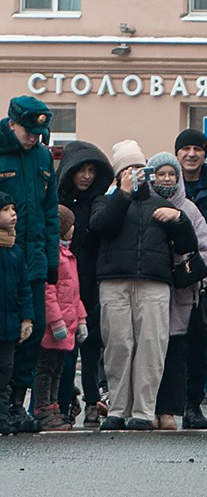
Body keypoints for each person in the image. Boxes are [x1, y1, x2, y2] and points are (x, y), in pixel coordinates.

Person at [86, 141, 198, 430]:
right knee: (118, 345)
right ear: (118, 174)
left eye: (139, 168)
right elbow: (101, 227)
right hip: (114, 281)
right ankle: (117, 409)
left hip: (154, 282)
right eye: (128, 169)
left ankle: (144, 411)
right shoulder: (105, 202)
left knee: (151, 345)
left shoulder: (161, 204)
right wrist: (122, 195)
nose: (135, 173)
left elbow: (187, 245)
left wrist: (179, 219)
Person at [1, 96, 58, 423]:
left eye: (39, 133)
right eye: (28, 132)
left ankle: (15, 404)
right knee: (4, 334)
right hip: (3, 261)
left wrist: (51, 260)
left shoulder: (42, 157)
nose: (34, 138)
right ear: (12, 124)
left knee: (32, 333)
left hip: (33, 261)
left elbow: (50, 212)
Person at [149, 154, 207, 431]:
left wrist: (197, 279)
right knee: (150, 353)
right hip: (150, 292)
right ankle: (148, 408)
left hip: (183, 296)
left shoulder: (189, 209)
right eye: (161, 174)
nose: (166, 179)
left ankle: (171, 410)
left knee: (179, 356)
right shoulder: (143, 206)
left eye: (171, 174)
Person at [51, 139, 110, 425]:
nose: (86, 176)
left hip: (90, 282)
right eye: (81, 170)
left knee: (91, 346)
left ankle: (92, 401)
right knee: (63, 349)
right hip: (62, 283)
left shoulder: (98, 203)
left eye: (92, 171)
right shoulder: (56, 203)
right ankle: (63, 402)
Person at [30, 202, 86, 432]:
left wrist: (81, 319)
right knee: (45, 368)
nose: (73, 229)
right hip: (54, 326)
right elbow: (48, 292)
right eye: (70, 225)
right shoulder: (53, 256)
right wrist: (55, 321)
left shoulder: (68, 255)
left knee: (57, 369)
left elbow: (75, 293)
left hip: (67, 325)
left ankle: (53, 405)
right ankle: (42, 408)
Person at [0, 194, 40, 434]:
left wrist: (27, 318)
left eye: (13, 209)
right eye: (5, 209)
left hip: (9, 326)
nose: (12, 213)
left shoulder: (15, 251)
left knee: (5, 372)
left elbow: (24, 288)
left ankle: (3, 418)